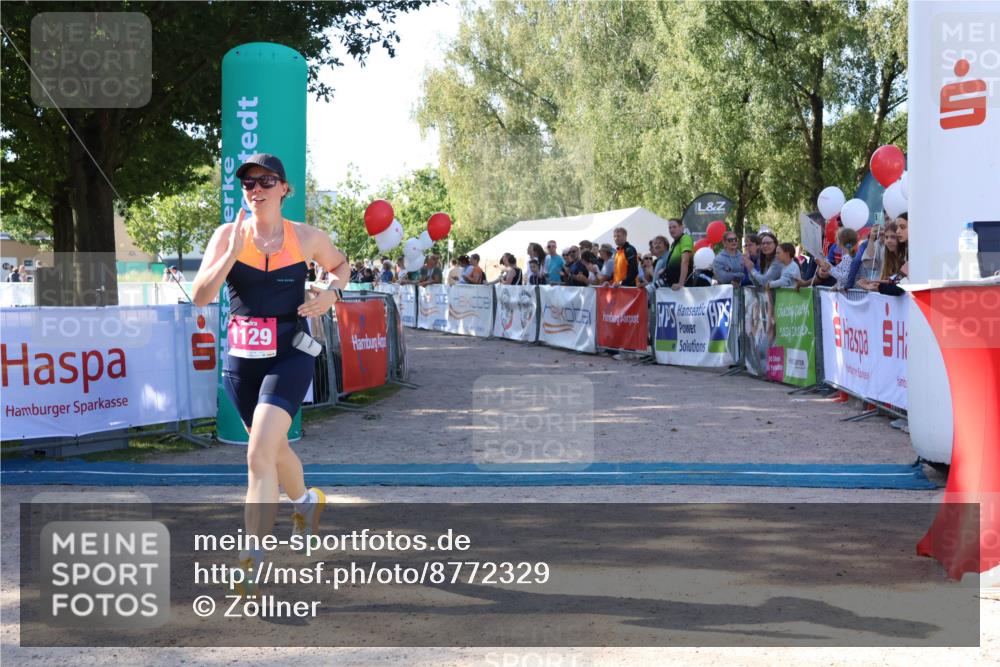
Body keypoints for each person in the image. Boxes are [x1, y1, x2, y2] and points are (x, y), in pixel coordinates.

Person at [191, 153, 349, 596]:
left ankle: (251, 560)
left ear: (284, 189)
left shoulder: (306, 237)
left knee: (258, 453)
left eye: (265, 181)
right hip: (241, 361)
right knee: (274, 450)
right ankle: (305, 502)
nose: (255, 189)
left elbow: (342, 266)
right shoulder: (226, 236)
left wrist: (330, 295)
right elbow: (202, 297)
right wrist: (228, 254)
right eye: (248, 184)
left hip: (289, 354)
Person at [662, 219, 693, 290]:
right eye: (670, 228)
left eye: (674, 227)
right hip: (673, 286)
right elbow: (673, 261)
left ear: (681, 228)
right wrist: (665, 269)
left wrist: (681, 283)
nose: (671, 230)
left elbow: (685, 261)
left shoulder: (685, 238)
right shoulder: (674, 243)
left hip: (681, 288)